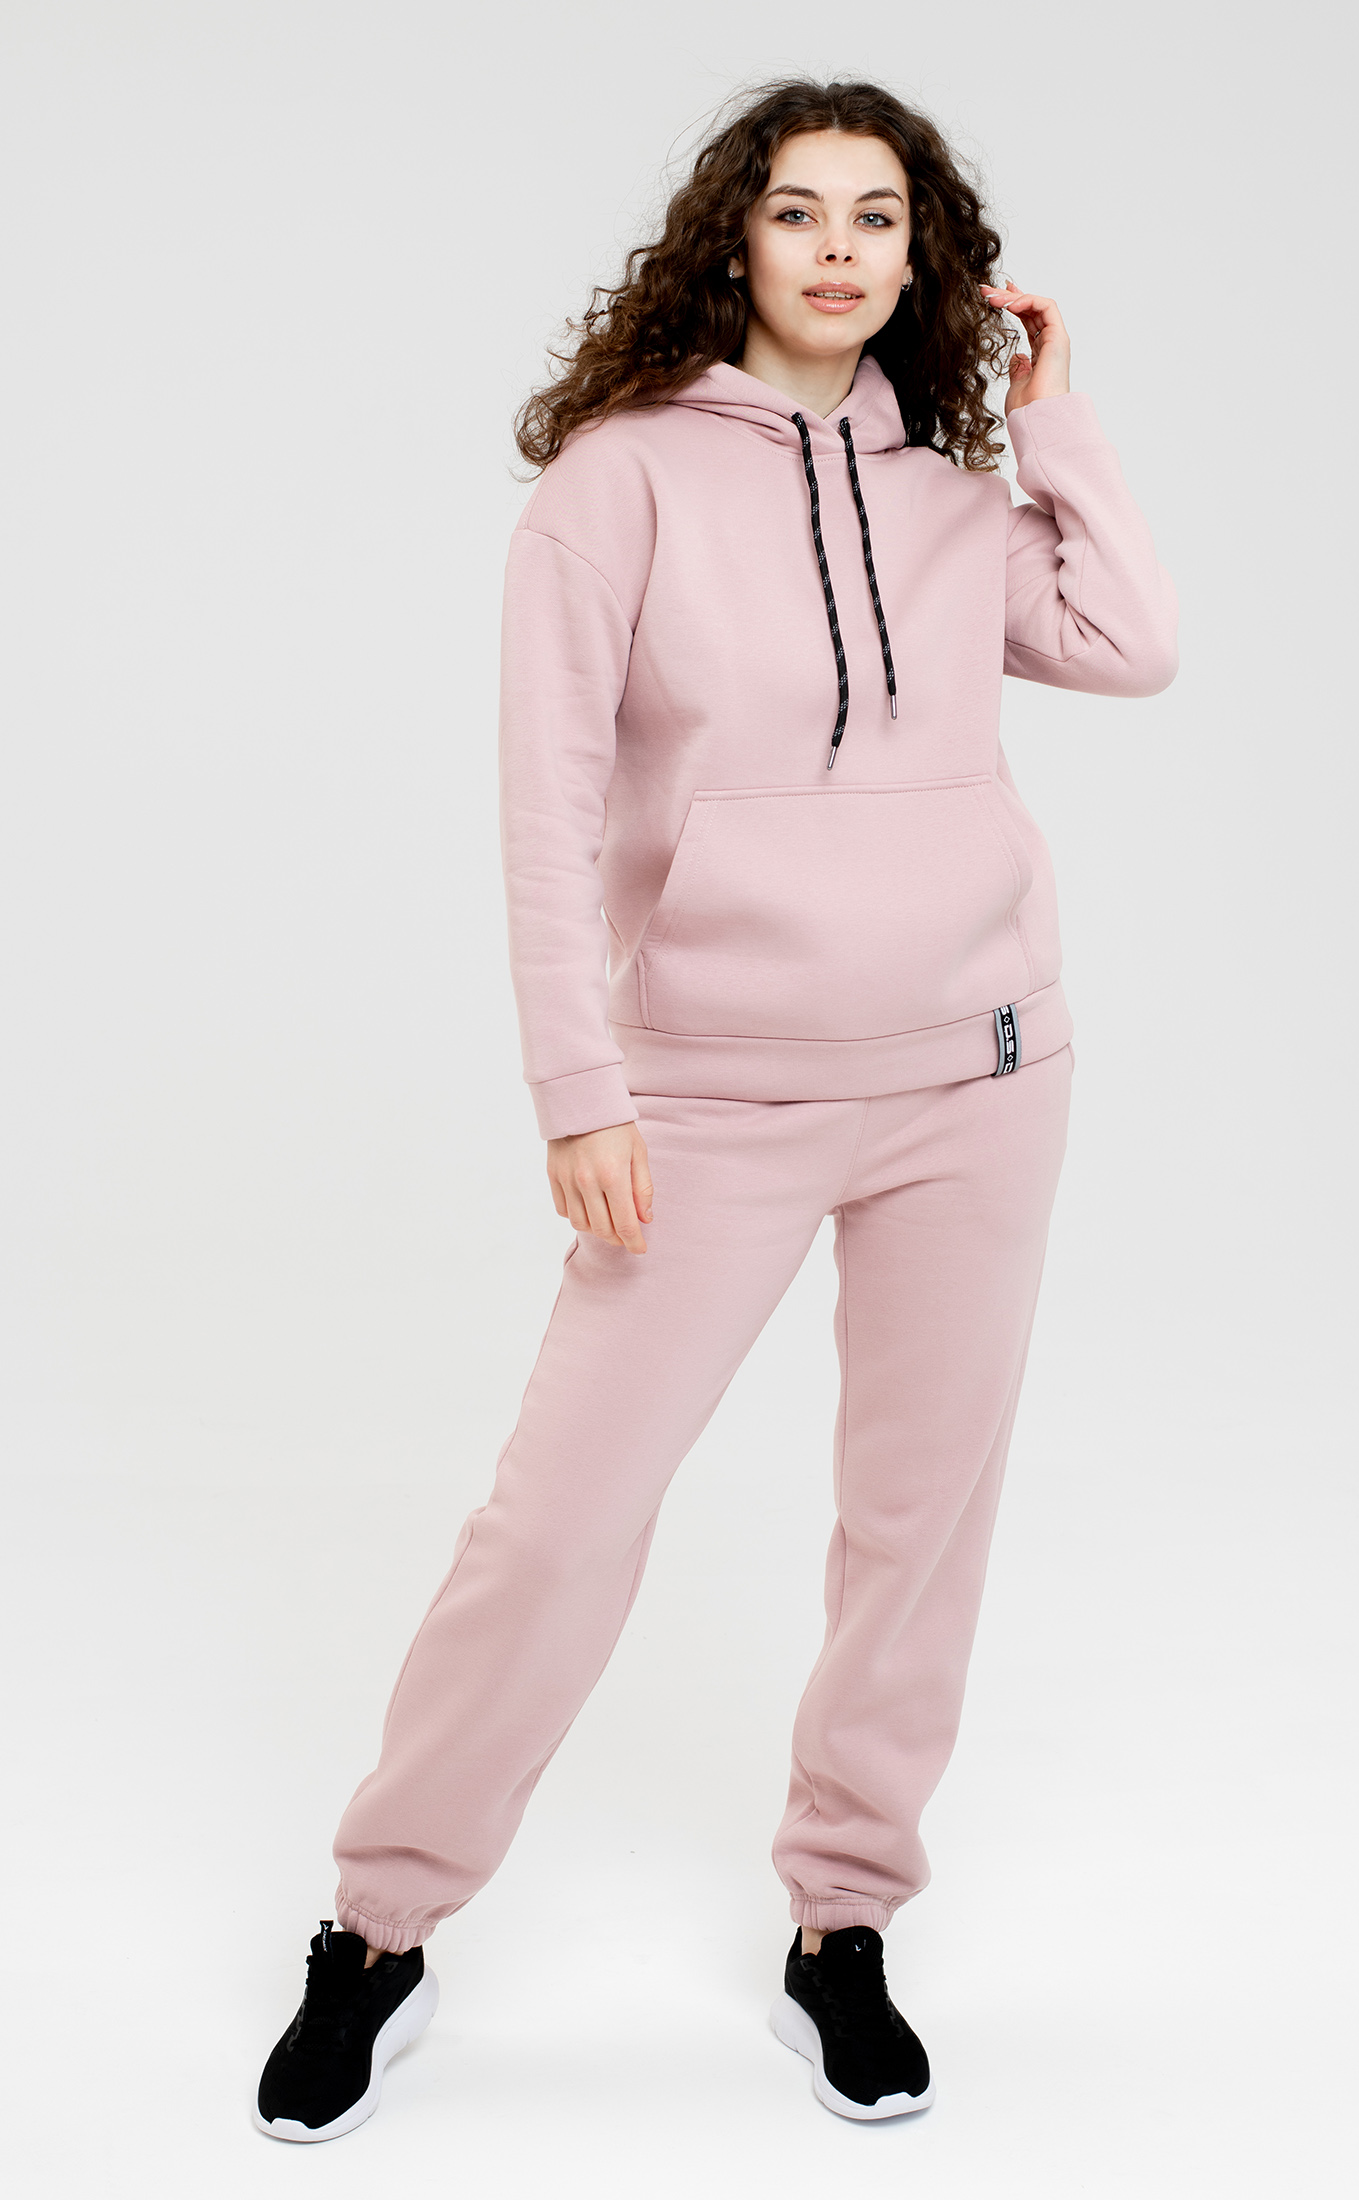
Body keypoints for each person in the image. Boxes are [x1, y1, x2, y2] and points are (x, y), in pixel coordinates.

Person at [255, 74, 1178, 2141]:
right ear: (732, 241)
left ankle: (842, 1921)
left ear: (924, 259)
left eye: (878, 217)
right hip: (706, 1098)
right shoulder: (620, 483)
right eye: (798, 211)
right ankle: (380, 1927)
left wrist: (1052, 423)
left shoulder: (955, 502)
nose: (838, 248)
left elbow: (1132, 642)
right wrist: (576, 1084)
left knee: (917, 1524)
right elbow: (545, 807)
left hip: (977, 1078)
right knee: (559, 1521)